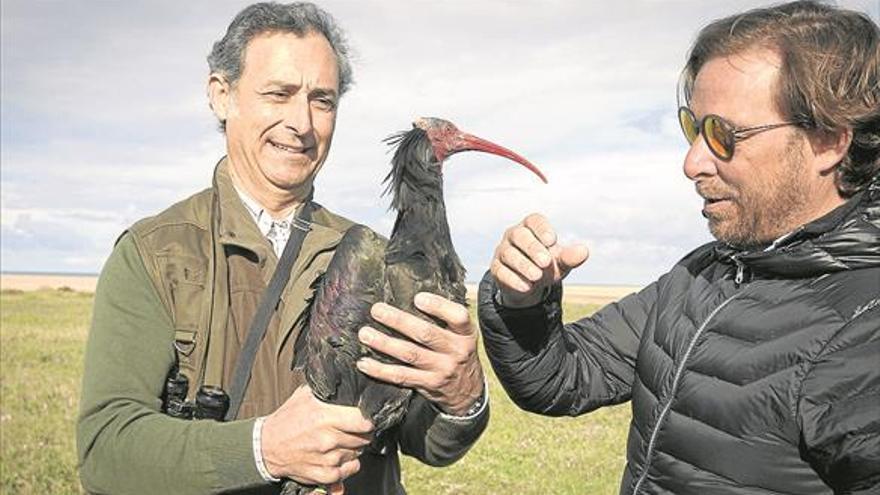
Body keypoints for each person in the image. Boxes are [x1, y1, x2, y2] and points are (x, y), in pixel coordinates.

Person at [77, 3, 488, 494]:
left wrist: (461, 397)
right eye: (279, 93)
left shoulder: (376, 257)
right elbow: (104, 452)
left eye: (322, 100)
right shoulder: (156, 254)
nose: (302, 123)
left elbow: (426, 441)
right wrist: (263, 448)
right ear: (222, 96)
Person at [478, 1, 879, 494]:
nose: (692, 163)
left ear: (830, 141)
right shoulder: (706, 274)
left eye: (724, 135)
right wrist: (522, 301)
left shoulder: (867, 328)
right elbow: (564, 377)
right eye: (695, 128)